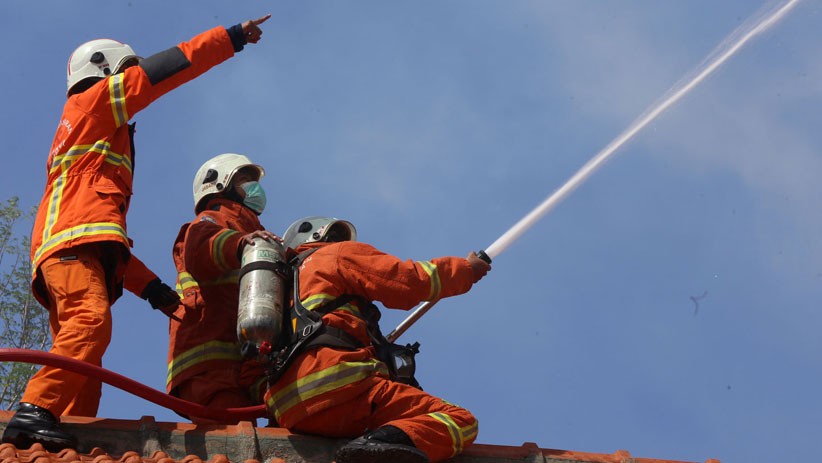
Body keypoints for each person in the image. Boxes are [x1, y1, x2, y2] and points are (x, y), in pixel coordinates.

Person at [1, 15, 271, 452]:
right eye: (126, 71)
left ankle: (60, 444)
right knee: (90, 324)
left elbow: (103, 236)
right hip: (71, 252)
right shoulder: (93, 103)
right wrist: (230, 38)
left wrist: (152, 290)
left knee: (83, 365)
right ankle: (35, 410)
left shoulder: (86, 143)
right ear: (107, 70)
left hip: (73, 253)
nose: (131, 80)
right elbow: (165, 70)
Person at [264, 216, 491, 463]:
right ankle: (373, 449)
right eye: (336, 237)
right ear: (320, 238)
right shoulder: (336, 254)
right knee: (459, 421)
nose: (339, 242)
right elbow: (408, 281)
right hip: (341, 387)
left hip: (288, 408)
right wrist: (465, 270)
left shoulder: (276, 289)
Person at [166, 153, 279, 424]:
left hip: (245, 367)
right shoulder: (210, 221)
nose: (255, 188)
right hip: (210, 367)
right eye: (245, 180)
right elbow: (200, 248)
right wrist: (240, 244)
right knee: (233, 443)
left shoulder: (252, 232)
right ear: (222, 183)